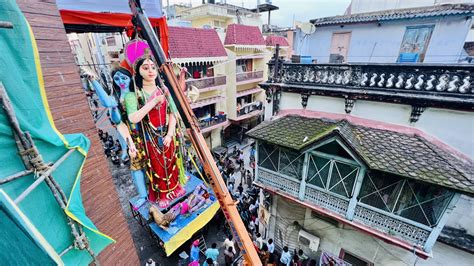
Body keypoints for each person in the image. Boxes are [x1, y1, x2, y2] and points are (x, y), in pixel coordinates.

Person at [125, 53, 186, 208]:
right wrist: (152, 103)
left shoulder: (164, 90)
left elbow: (173, 112)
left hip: (167, 132)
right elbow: (133, 118)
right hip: (149, 136)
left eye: (153, 67)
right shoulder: (134, 95)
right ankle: (162, 194)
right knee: (157, 165)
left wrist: (170, 133)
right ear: (139, 71)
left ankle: (176, 187)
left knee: (171, 161)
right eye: (145, 68)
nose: (150, 71)